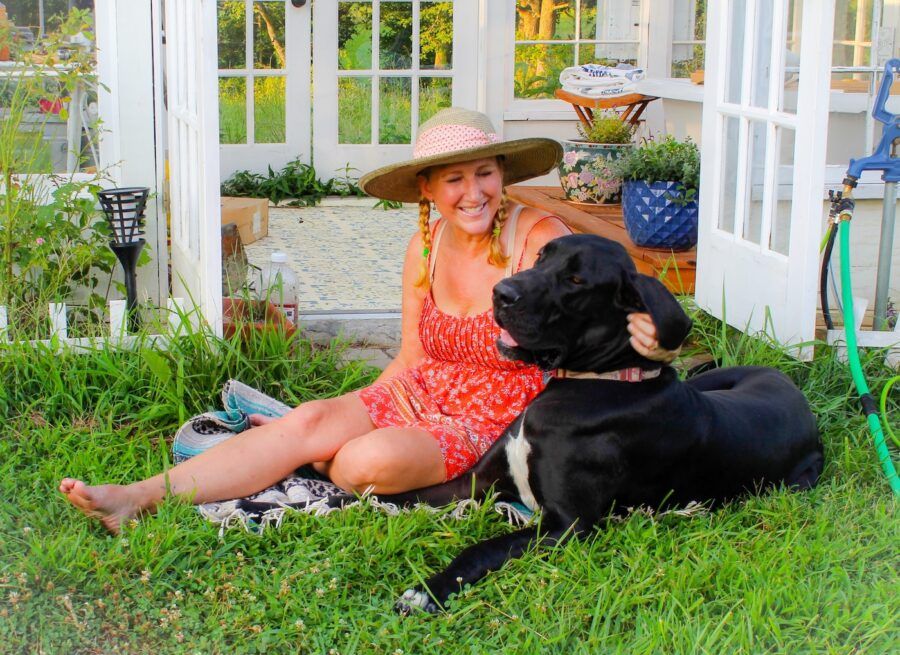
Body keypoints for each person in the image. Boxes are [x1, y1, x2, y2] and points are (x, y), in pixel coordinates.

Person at [59, 107, 677, 533]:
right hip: (424, 388)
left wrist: (655, 344)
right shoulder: (426, 245)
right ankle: (136, 497)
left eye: (485, 173)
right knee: (312, 419)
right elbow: (410, 354)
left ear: (503, 175)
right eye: (454, 179)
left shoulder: (540, 239)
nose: (474, 193)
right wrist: (360, 406)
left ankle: (322, 458)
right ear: (429, 189)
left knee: (360, 463)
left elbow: (604, 304)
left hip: (500, 416)